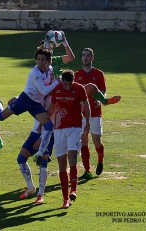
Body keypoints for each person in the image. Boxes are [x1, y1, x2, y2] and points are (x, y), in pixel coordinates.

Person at [0, 47, 58, 161]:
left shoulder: (50, 69)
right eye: (38, 59)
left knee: (48, 126)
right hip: (25, 100)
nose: (40, 62)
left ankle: (40, 153)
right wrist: (57, 81)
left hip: (36, 104)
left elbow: (49, 85)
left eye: (43, 59)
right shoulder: (35, 73)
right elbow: (44, 91)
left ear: (48, 61)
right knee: (0, 117)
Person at [48, 69, 90, 209]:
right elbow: (52, 108)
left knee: (72, 158)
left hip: (74, 128)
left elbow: (86, 105)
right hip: (59, 129)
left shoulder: (79, 89)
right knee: (61, 165)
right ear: (62, 82)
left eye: (69, 84)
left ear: (73, 81)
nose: (67, 87)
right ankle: (65, 199)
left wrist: (88, 122)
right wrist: (42, 126)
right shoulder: (57, 89)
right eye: (65, 84)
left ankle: (74, 190)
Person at [75, 48, 119, 179]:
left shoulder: (99, 74)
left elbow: (103, 91)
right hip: (82, 114)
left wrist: (101, 100)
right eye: (84, 55)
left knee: (96, 141)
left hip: (95, 113)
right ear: (81, 57)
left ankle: (100, 159)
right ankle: (87, 170)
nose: (86, 58)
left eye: (88, 56)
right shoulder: (77, 75)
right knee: (83, 141)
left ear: (92, 58)